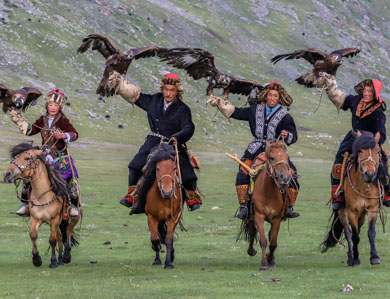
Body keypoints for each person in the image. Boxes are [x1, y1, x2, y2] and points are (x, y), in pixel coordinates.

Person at [108, 72, 202, 211]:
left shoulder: (183, 109)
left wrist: (177, 137)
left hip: (172, 142)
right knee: (135, 165)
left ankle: (191, 196)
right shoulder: (154, 100)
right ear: (162, 89)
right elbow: (136, 96)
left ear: (177, 91)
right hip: (154, 140)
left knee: (186, 170)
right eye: (166, 89)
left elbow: (189, 127)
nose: (168, 93)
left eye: (172, 90)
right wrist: (120, 85)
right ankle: (132, 194)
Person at [207, 82, 300, 219]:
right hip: (255, 147)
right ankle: (244, 206)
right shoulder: (255, 109)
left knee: (292, 173)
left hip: (276, 149)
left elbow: (294, 135)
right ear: (265, 96)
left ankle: (289, 206)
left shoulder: (285, 116)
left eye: (275, 96)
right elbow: (236, 112)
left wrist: (287, 135)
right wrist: (220, 103)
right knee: (243, 171)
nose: (272, 98)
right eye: (270, 95)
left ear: (279, 98)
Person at [318, 74, 390, 210]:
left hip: (370, 144)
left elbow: (382, 134)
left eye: (369, 91)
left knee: (383, 165)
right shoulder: (356, 101)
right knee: (338, 163)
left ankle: (387, 192)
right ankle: (338, 195)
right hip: (352, 140)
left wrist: (372, 140)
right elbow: (340, 97)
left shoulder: (378, 112)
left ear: (375, 94)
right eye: (365, 90)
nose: (366, 93)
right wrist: (330, 87)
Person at [8, 89, 80, 217]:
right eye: (50, 104)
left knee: (68, 179)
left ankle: (72, 206)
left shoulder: (63, 121)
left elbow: (75, 134)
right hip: (43, 155)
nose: (53, 107)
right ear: (47, 105)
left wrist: (63, 135)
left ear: (60, 107)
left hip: (60, 156)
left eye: (56, 105)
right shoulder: (42, 120)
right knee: (27, 174)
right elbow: (30, 130)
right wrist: (18, 120)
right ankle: (25, 204)